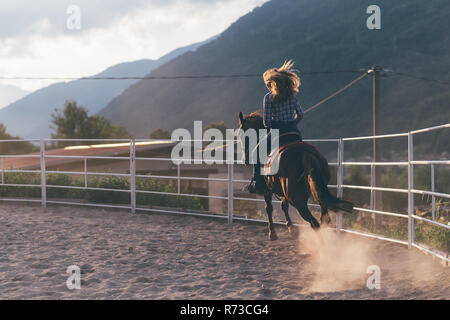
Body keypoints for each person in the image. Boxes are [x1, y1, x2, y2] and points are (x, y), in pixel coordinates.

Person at [246, 60, 304, 195]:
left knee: (257, 152)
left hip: (278, 132)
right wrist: (292, 123)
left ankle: (259, 184)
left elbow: (266, 120)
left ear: (271, 84)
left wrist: (269, 127)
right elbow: (300, 114)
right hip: (294, 132)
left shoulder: (268, 98)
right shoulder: (293, 96)